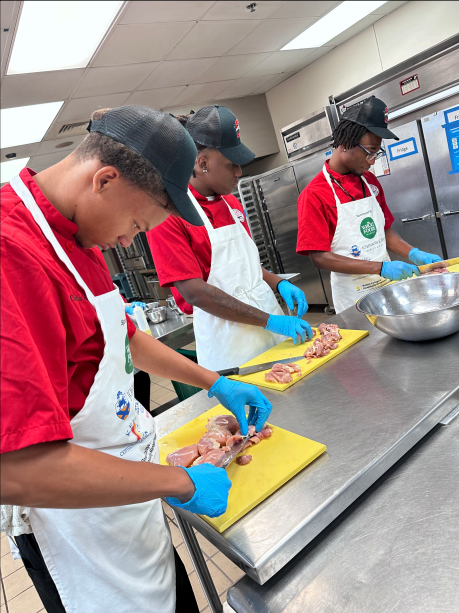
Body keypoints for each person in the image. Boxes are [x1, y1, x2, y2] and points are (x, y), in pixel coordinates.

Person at [0, 106, 274, 613]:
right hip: (75, 523)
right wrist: (181, 481)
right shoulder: (12, 254)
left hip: (127, 493)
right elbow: (15, 467)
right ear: (104, 179)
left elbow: (120, 335)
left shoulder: (76, 231)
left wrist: (213, 382)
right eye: (134, 223)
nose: (129, 240)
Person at [147, 105, 312, 372]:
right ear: (202, 163)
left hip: (272, 330)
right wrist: (270, 321)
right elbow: (194, 293)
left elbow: (245, 269)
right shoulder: (170, 216)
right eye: (231, 164)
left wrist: (279, 284)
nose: (239, 172)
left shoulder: (232, 204)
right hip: (230, 344)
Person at [296, 96, 443, 313]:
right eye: (369, 151)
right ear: (346, 143)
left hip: (388, 285)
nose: (373, 160)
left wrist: (413, 253)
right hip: (353, 294)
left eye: (377, 152)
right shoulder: (314, 194)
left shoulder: (369, 181)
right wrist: (380, 268)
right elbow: (319, 257)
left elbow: (384, 230)